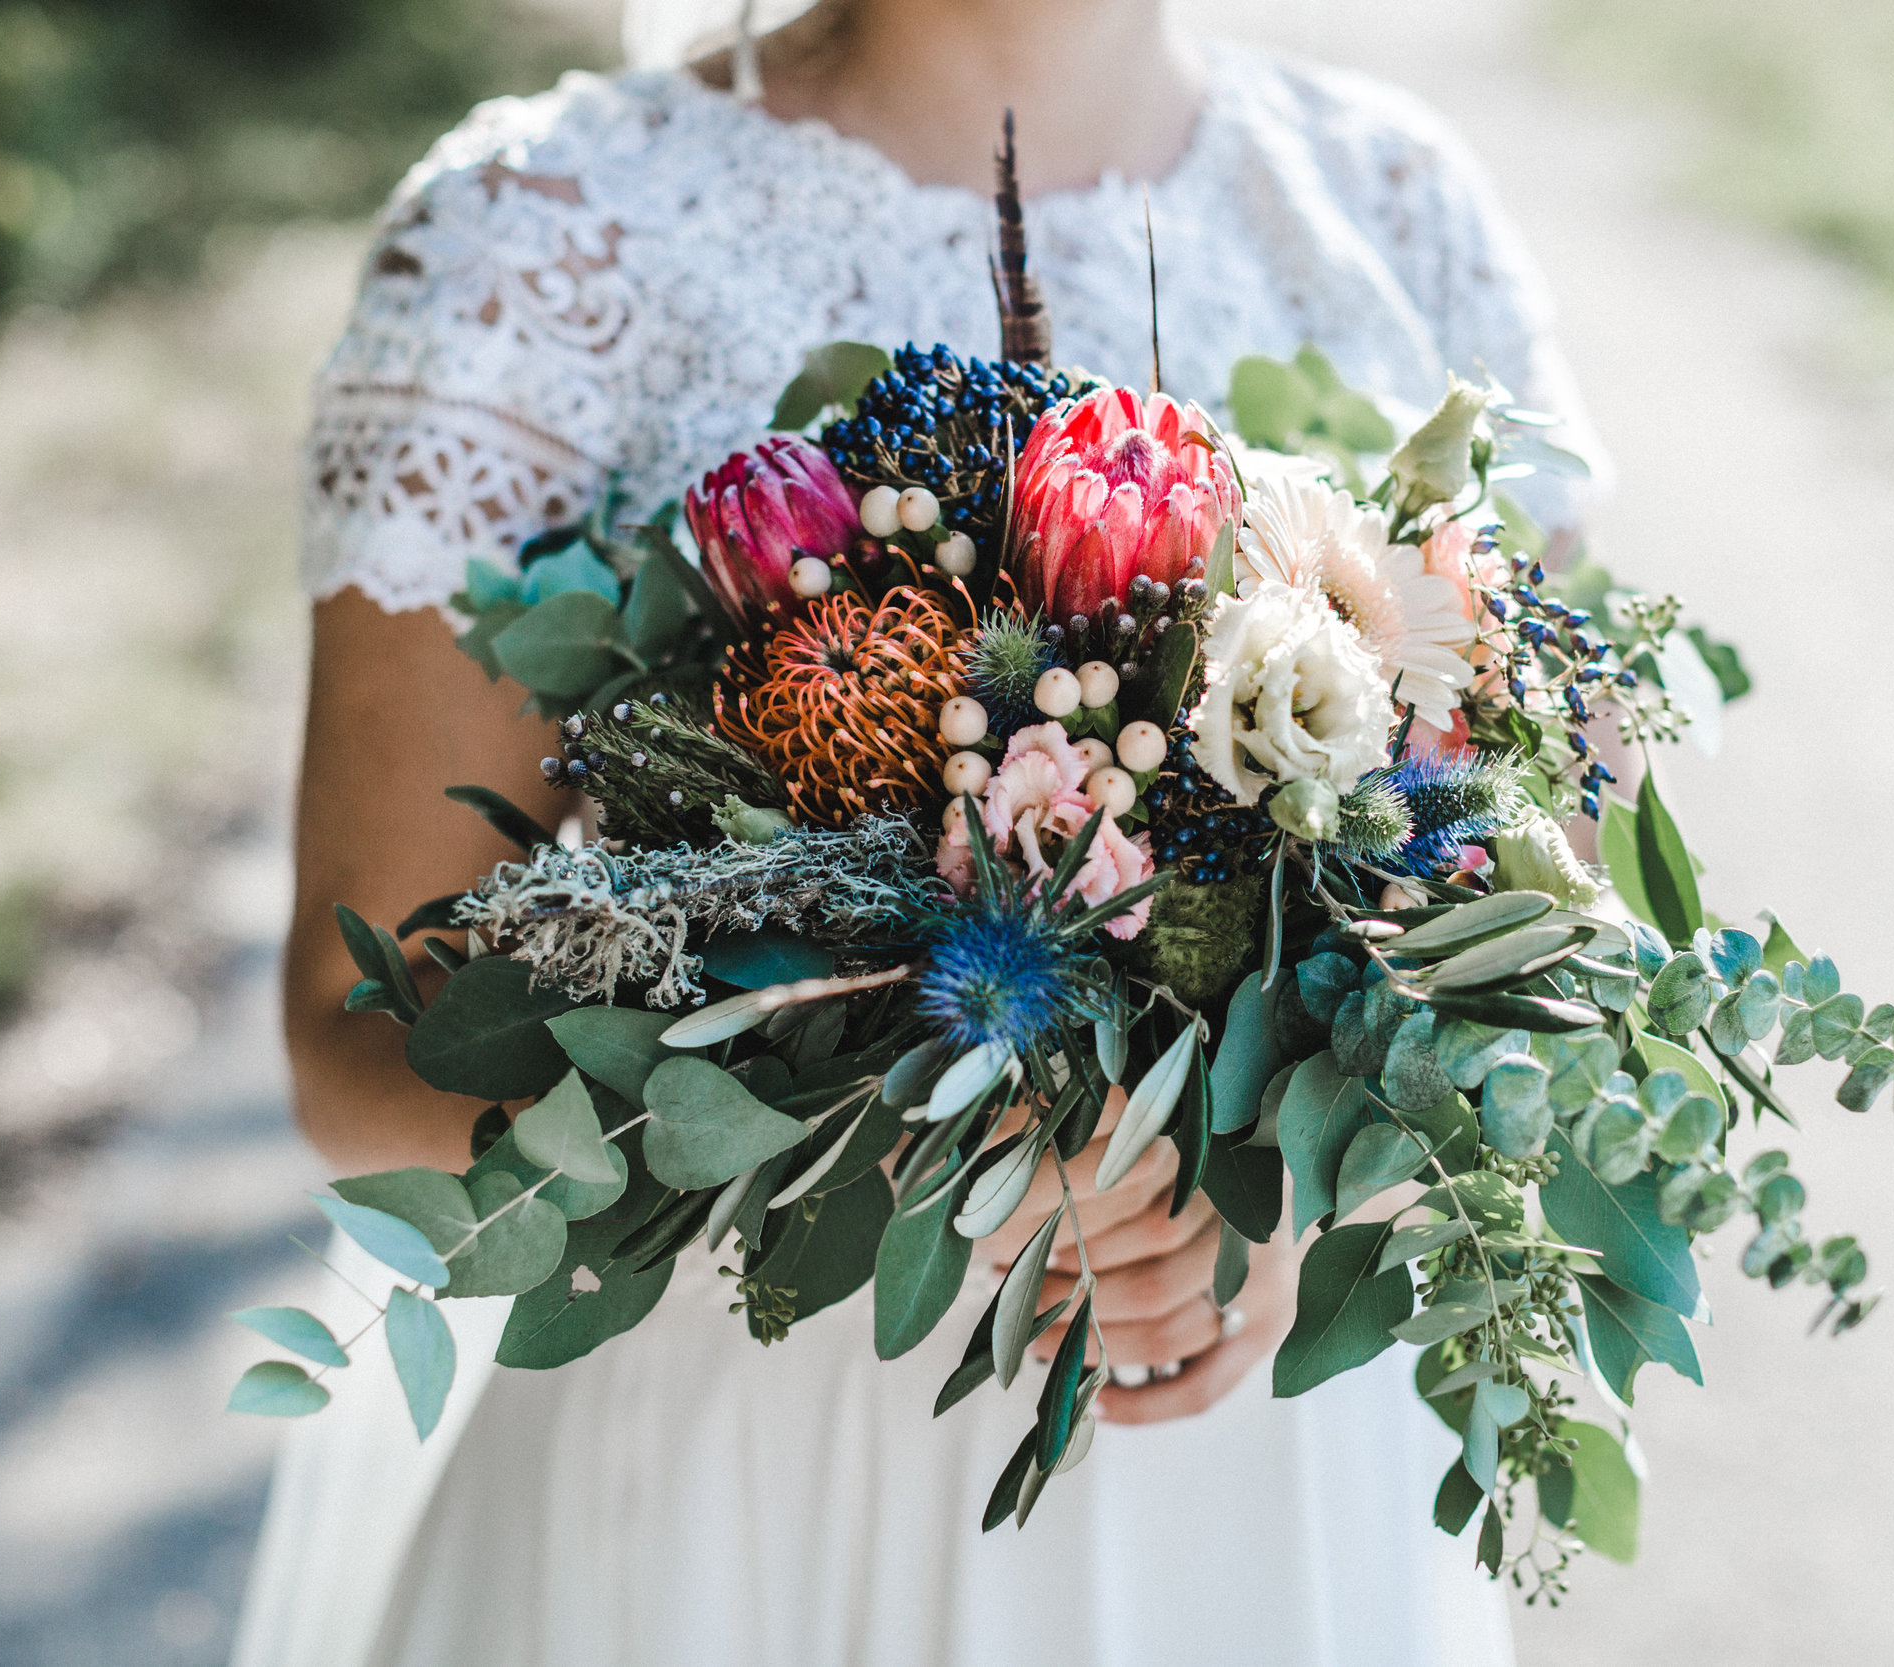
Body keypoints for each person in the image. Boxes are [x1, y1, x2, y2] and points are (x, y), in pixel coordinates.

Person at [240, 2, 1594, 1661]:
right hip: (766, 1479)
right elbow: (359, 1040)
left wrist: (1313, 1171)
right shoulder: (536, 243)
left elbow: (1549, 912)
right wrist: (913, 1150)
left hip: (1266, 1472)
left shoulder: (1395, 207)